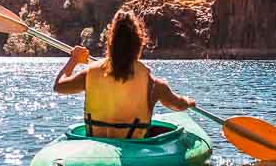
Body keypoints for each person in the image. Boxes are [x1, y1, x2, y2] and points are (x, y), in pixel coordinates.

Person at [53, 9, 195, 139]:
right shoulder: (153, 85)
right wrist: (188, 101)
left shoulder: (89, 74)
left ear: (110, 42)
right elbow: (178, 105)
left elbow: (59, 86)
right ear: (139, 44)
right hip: (133, 150)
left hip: (96, 142)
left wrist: (74, 59)